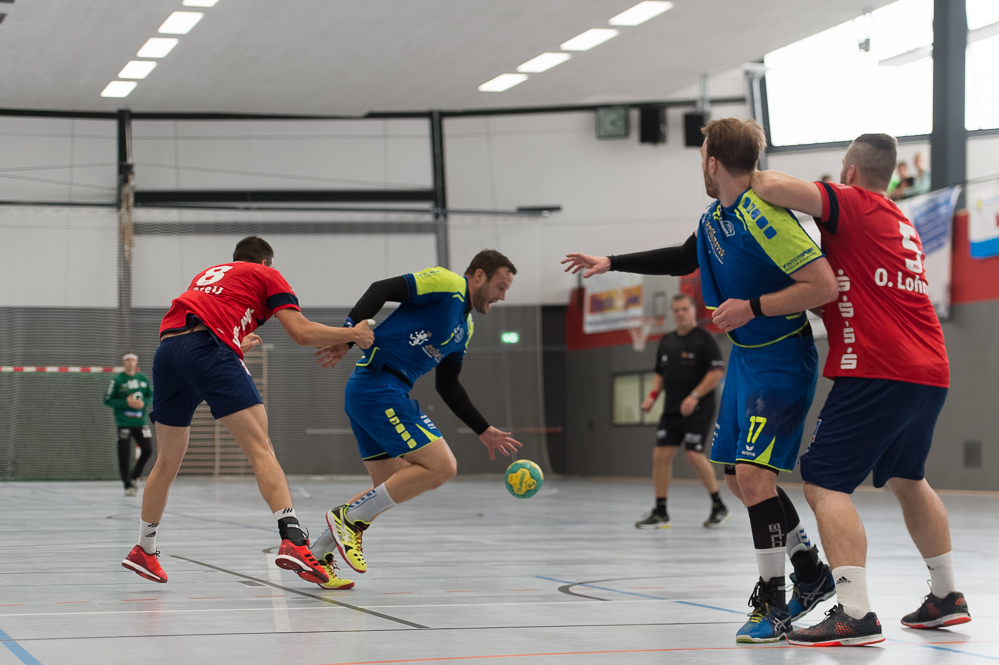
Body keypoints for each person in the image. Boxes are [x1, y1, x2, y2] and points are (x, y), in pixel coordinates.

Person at [562, 117, 840, 644]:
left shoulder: (766, 216)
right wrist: (611, 262)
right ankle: (810, 570)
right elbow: (682, 258)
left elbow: (822, 286)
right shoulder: (716, 217)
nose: (701, 165)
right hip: (746, 361)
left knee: (754, 478)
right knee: (738, 478)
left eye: (701, 156)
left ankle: (774, 604)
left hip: (781, 358)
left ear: (713, 162)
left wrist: (752, 306)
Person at [750, 133, 970, 647]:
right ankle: (946, 596)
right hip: (929, 366)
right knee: (908, 477)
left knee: (823, 482)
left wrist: (740, 161)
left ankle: (853, 612)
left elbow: (771, 185)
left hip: (877, 366)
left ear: (849, 172)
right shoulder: (899, 220)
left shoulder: (852, 202)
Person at [120, 236, 373, 589]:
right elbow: (301, 332)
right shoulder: (266, 274)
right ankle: (294, 539)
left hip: (168, 353)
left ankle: (144, 549)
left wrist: (236, 343)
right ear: (266, 262)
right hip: (210, 352)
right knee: (261, 448)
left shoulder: (208, 274)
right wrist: (353, 334)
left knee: (165, 461)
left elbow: (200, 323)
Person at [307, 251, 522, 588]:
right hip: (380, 387)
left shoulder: (465, 328)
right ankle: (347, 519)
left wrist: (483, 429)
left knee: (391, 486)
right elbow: (381, 288)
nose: (502, 296)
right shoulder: (447, 283)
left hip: (374, 391)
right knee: (443, 467)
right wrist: (348, 335)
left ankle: (317, 554)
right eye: (500, 287)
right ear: (479, 275)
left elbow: (447, 385)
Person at [635, 293, 728, 530]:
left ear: (693, 311)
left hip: (699, 408)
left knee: (693, 454)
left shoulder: (704, 339)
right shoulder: (667, 341)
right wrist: (652, 397)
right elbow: (660, 374)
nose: (680, 314)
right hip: (671, 409)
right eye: (676, 310)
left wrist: (694, 396)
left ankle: (718, 505)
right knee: (660, 455)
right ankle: (661, 511)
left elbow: (716, 372)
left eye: (684, 309)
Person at [104, 352, 154, 496]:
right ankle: (127, 484)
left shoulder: (142, 378)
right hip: (124, 422)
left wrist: (143, 403)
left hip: (140, 422)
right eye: (128, 360)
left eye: (133, 360)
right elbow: (107, 400)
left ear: (136, 362)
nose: (131, 363)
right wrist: (126, 402)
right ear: (123, 363)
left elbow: (151, 395)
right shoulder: (117, 379)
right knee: (124, 454)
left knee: (148, 450)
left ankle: (134, 476)